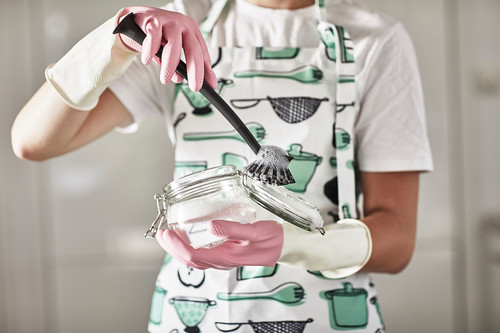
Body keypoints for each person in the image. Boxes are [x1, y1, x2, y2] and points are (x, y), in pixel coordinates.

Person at [11, 0, 433, 331]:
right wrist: (113, 40)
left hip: (329, 318)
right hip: (196, 313)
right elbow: (32, 141)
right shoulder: (178, 28)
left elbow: (397, 240)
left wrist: (297, 244)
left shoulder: (374, 40)